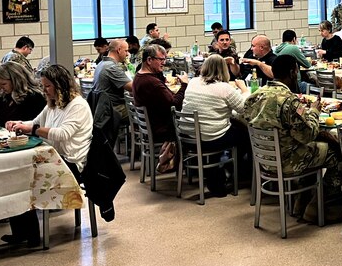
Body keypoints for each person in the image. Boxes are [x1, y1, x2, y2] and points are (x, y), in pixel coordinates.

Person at [242, 54, 342, 223]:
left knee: (312, 149)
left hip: (264, 159)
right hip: (287, 160)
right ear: (292, 72)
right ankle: (319, 206)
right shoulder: (289, 101)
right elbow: (307, 134)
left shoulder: (254, 96)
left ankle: (301, 203)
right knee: (334, 152)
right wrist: (314, 111)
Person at [5, 64, 94, 246]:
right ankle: (23, 232)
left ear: (60, 85)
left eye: (47, 86)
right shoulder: (52, 104)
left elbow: (62, 134)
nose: (44, 90)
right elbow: (36, 122)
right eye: (43, 86)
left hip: (71, 163)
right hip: (56, 157)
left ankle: (30, 235)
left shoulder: (77, 105)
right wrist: (20, 123)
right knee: (14, 173)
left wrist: (33, 129)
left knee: (23, 177)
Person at [181, 55, 250, 196]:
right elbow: (244, 109)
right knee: (246, 135)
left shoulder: (193, 82)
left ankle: (222, 170)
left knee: (230, 128)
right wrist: (244, 91)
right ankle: (237, 172)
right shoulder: (224, 88)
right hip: (211, 138)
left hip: (189, 136)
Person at [132, 44, 189, 173]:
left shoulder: (140, 76)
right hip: (162, 129)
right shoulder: (151, 82)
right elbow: (174, 103)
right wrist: (185, 85)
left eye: (165, 59)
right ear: (149, 60)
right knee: (195, 129)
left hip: (151, 125)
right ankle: (195, 166)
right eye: (161, 60)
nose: (164, 63)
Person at [0, 61, 45, 128]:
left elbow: (33, 125)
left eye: (3, 84)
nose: (1, 88)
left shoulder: (34, 98)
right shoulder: (6, 94)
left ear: (16, 80)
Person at [92, 39, 133, 139]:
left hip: (102, 108)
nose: (127, 54)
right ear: (119, 50)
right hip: (113, 110)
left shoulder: (101, 64)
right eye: (126, 51)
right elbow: (133, 87)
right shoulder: (112, 67)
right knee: (145, 114)